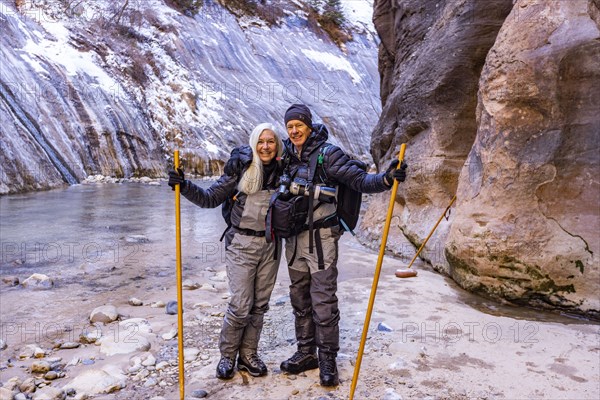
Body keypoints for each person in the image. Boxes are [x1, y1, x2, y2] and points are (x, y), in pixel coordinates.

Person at [276, 104, 407, 386]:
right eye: (290, 127)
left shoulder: (328, 154)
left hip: (321, 240)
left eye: (299, 125)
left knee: (322, 301)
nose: (295, 131)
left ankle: (327, 361)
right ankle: (305, 352)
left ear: (309, 126)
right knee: (300, 298)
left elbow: (359, 180)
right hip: (294, 241)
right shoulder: (285, 154)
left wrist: (385, 179)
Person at [168, 123, 284, 380]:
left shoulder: (284, 171)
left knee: (260, 305)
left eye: (271, 141)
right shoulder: (240, 170)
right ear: (254, 143)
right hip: (241, 245)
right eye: (261, 141)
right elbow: (210, 198)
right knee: (241, 304)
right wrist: (184, 185)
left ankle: (248, 355)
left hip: (271, 246)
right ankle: (228, 356)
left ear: (277, 145)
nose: (265, 146)